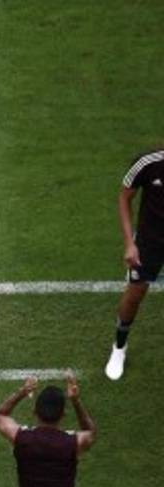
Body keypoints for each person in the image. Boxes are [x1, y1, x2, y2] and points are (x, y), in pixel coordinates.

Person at [105, 147, 164, 380]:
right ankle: (119, 347)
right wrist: (130, 243)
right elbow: (124, 196)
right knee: (135, 294)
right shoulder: (148, 163)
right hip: (150, 243)